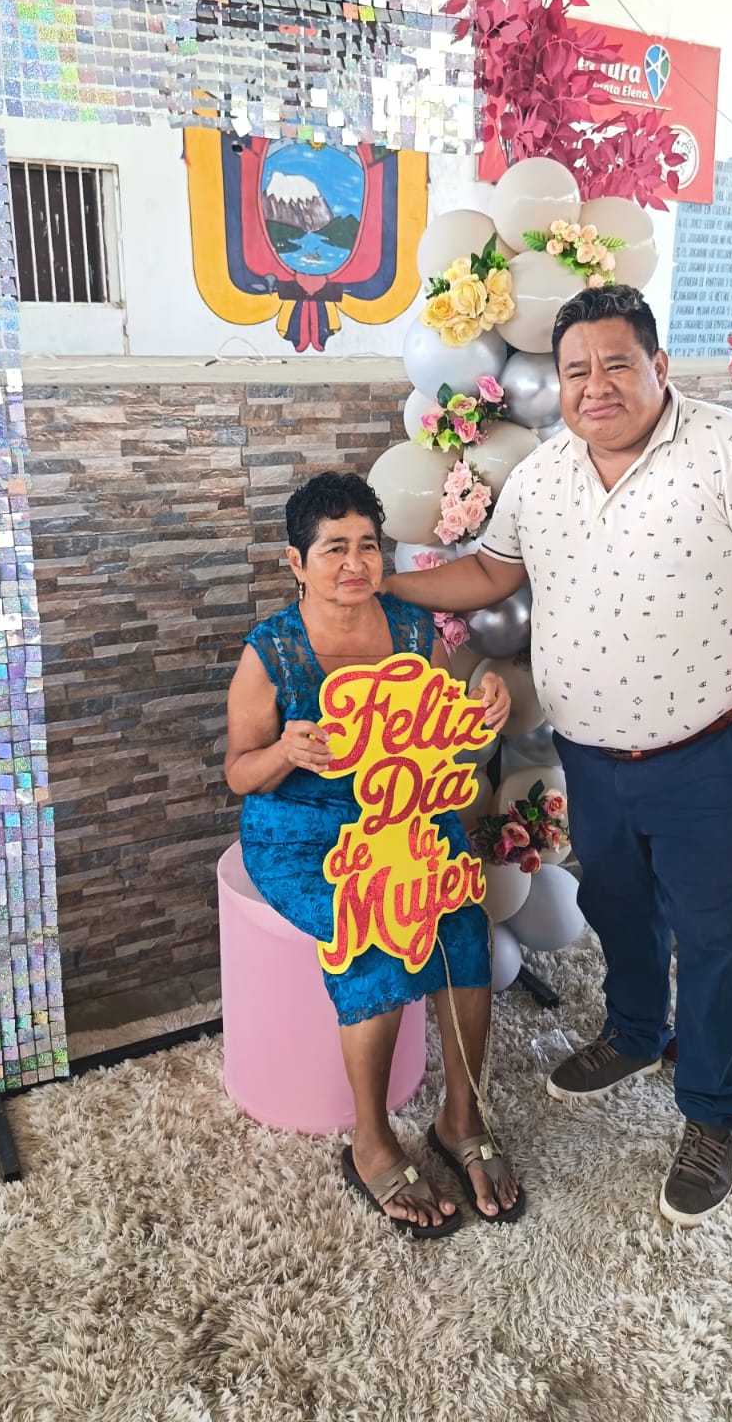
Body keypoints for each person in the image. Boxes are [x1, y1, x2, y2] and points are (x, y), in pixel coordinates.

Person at [386, 286, 732, 1227]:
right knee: (618, 909)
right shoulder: (544, 473)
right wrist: (384, 582)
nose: (596, 385)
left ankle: (713, 1109)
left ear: (658, 366)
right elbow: (494, 572)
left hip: (714, 756)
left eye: (617, 363)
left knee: (717, 943)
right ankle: (634, 1031)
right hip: (591, 757)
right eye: (577, 370)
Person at [225, 470, 524, 1237]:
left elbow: (443, 725)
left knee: (465, 927)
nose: (355, 563)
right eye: (334, 549)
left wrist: (484, 706)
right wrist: (286, 751)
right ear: (296, 563)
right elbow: (239, 774)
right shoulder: (272, 654)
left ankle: (461, 1119)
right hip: (305, 834)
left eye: (367, 545)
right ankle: (371, 1141)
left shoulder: (413, 630)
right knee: (375, 935)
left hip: (406, 814)